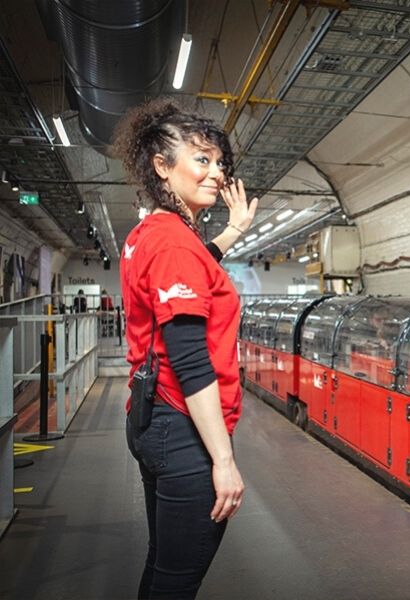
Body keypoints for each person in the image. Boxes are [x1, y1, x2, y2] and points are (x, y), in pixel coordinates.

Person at [113, 98, 258, 598]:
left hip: (151, 418)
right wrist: (223, 459)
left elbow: (197, 267)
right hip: (184, 429)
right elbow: (190, 358)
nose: (216, 172)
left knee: (163, 565)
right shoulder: (174, 243)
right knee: (178, 581)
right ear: (161, 167)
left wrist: (233, 231)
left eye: (220, 162)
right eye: (201, 159)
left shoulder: (149, 235)